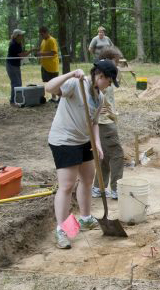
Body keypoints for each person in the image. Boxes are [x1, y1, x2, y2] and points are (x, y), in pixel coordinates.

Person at [46, 60, 119, 249]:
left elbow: (94, 122)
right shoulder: (76, 84)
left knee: (87, 179)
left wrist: (97, 143)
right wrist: (70, 74)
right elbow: (49, 87)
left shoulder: (100, 96)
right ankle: (62, 230)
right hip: (64, 140)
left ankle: (85, 218)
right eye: (109, 81)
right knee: (67, 185)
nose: (110, 85)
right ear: (100, 76)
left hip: (83, 140)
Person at [91, 47, 124, 200]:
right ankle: (116, 189)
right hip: (105, 122)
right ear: (109, 59)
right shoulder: (102, 76)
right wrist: (105, 111)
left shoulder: (102, 75)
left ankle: (99, 187)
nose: (116, 66)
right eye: (116, 62)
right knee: (117, 155)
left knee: (103, 156)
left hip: (104, 120)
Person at [6, 29, 33, 106]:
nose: (22, 36)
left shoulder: (19, 43)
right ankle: (13, 101)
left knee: (18, 83)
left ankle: (17, 100)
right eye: (21, 35)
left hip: (16, 65)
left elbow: (21, 55)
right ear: (17, 36)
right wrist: (31, 50)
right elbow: (21, 55)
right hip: (11, 65)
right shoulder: (13, 44)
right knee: (16, 83)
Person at [37, 26, 60, 103]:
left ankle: (60, 97)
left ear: (46, 32)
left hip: (52, 66)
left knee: (55, 83)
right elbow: (42, 51)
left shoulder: (52, 40)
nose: (41, 36)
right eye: (40, 34)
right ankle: (53, 98)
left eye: (42, 34)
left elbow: (53, 52)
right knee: (49, 82)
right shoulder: (43, 41)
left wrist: (41, 53)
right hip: (45, 66)